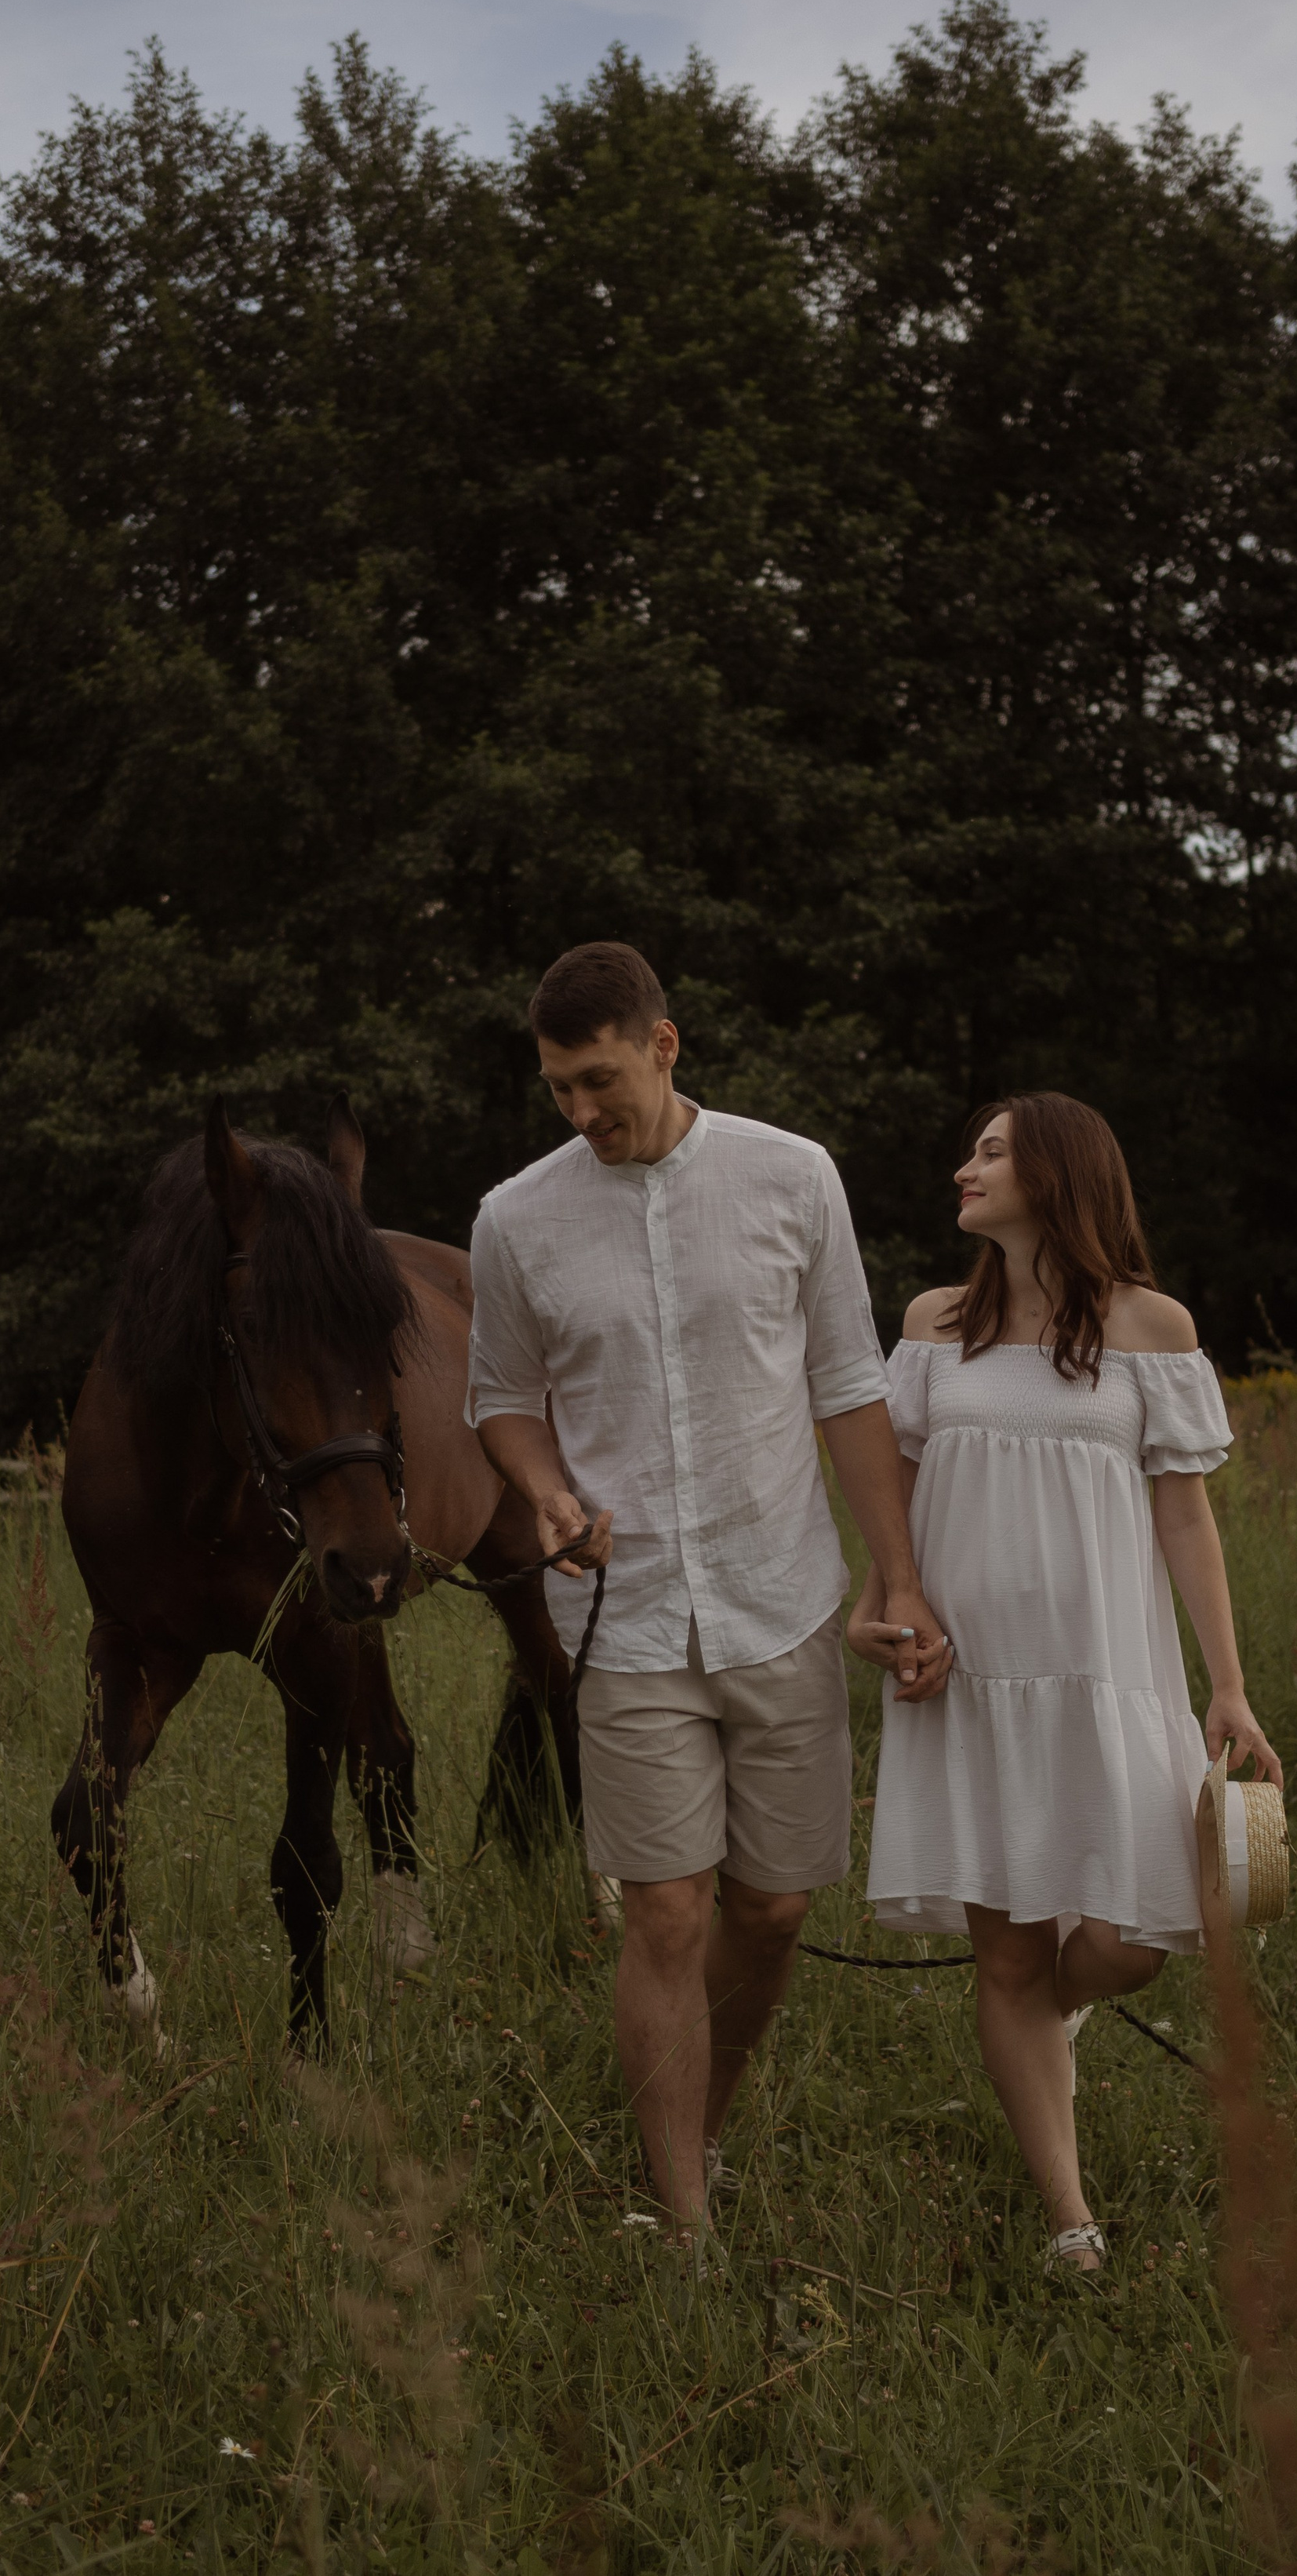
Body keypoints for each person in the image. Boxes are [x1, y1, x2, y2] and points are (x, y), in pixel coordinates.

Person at [467, 941, 950, 2239]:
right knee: (669, 1912)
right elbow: (503, 1403)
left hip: (779, 1588)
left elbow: (849, 1386)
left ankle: (703, 2126)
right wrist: (546, 1488)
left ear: (665, 1044)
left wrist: (897, 1575)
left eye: (599, 1079)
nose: (580, 1112)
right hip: (621, 1618)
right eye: (559, 1088)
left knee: (775, 1908)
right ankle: (680, 2219)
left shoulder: (793, 1177)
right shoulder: (516, 1217)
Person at [848, 1093, 1282, 2273]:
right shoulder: (936, 1321)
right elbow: (887, 1486)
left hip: (1109, 1673)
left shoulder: (1152, 1325)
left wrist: (1228, 1686)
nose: (963, 1167)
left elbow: (1185, 1513)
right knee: (1004, 1952)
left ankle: (1059, 2007)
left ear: (1057, 1172)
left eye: (989, 1151)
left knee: (1146, 1928)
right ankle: (1070, 2219)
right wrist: (879, 1600)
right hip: (968, 1680)